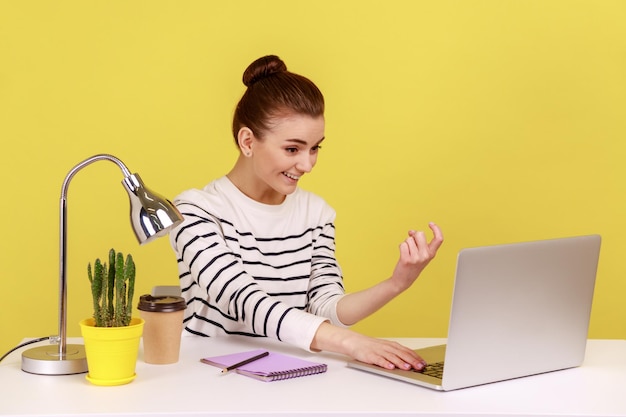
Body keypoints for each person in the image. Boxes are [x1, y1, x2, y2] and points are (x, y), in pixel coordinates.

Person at [169, 55, 443, 371]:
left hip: (290, 371)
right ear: (248, 141)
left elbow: (325, 306)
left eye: (315, 148)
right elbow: (244, 302)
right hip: (208, 374)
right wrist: (350, 342)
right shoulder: (195, 211)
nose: (307, 164)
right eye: (292, 149)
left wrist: (397, 283)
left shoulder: (316, 214)